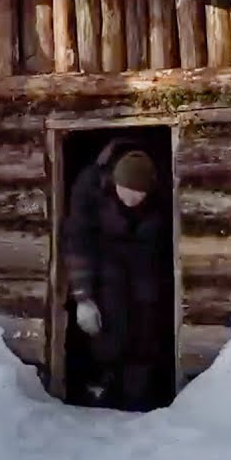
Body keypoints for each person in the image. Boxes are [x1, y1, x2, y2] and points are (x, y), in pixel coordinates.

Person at [60, 138, 170, 411]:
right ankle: (102, 389)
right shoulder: (90, 185)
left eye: (139, 194)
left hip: (146, 263)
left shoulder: (161, 191)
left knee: (146, 330)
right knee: (109, 329)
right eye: (126, 191)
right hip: (104, 265)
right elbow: (78, 240)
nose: (131, 199)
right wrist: (83, 296)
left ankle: (139, 399)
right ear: (113, 182)